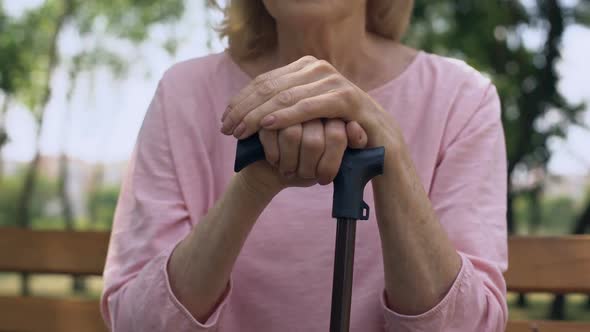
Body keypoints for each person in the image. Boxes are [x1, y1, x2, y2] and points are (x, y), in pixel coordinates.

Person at [100, 0, 508, 331]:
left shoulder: (462, 98)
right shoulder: (182, 94)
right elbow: (137, 322)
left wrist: (391, 155)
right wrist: (254, 185)